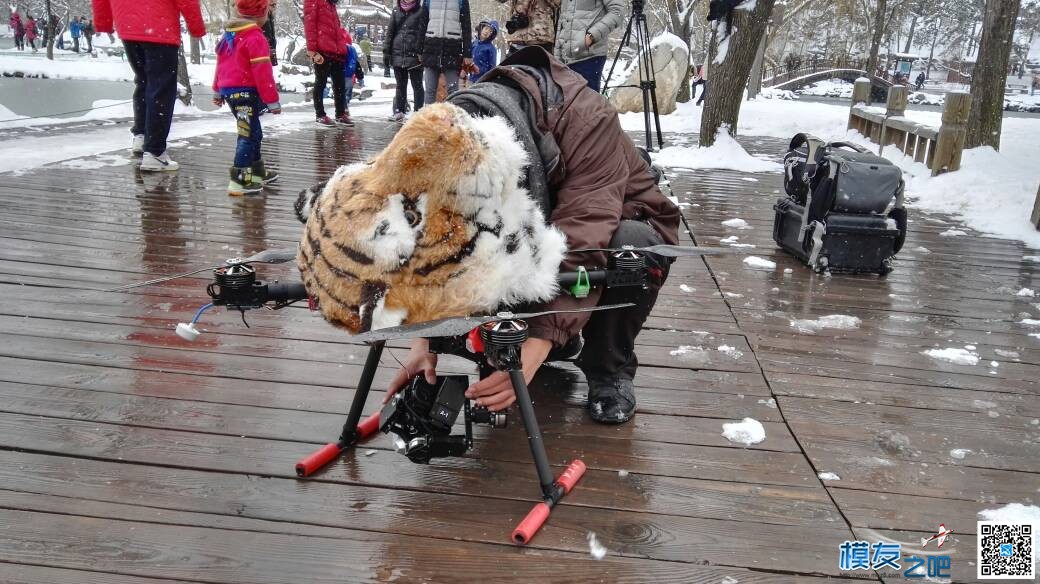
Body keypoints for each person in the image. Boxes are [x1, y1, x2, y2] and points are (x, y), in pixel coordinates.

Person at [386, 48, 680, 424]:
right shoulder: (454, 127)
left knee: (630, 250)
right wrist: (424, 339)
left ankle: (608, 369)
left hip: (613, 223)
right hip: (539, 221)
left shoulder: (589, 117)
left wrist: (539, 341)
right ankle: (548, 338)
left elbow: (582, 238)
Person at [92, 0, 206, 171]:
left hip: (128, 25)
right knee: (161, 90)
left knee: (144, 81)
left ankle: (141, 134)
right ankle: (154, 152)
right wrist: (196, 27)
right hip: (160, 25)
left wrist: (103, 23)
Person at [213, 0, 282, 195]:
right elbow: (262, 72)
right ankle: (240, 180)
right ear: (261, 13)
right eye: (268, 12)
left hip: (232, 93)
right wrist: (272, 101)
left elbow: (221, 66)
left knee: (253, 132)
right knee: (247, 135)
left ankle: (256, 172)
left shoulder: (229, 35)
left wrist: (218, 90)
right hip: (245, 94)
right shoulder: (255, 37)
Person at [554, 0, 624, 91]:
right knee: (567, 104)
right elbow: (563, 19)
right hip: (564, 60)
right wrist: (557, 53)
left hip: (589, 58)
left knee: (588, 103)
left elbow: (617, 12)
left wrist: (591, 37)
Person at [304, 0, 351, 127]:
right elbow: (310, 25)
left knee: (340, 84)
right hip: (322, 50)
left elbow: (337, 28)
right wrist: (312, 50)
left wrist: (342, 48)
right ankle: (320, 115)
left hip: (336, 50)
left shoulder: (331, 3)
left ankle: (340, 114)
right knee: (321, 82)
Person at [421, 0, 471, 105]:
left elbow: (466, 26)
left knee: (453, 91)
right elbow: (422, 24)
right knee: (430, 90)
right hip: (431, 48)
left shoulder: (461, 1)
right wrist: (419, 49)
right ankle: (428, 120)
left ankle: (452, 119)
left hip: (452, 50)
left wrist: (468, 53)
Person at [383, 0, 427, 120]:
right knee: (400, 85)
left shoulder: (422, 11)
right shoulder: (396, 11)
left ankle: (418, 112)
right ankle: (399, 110)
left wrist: (421, 51)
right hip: (398, 53)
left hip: (415, 54)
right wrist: (386, 51)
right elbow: (390, 33)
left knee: (417, 85)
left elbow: (423, 33)